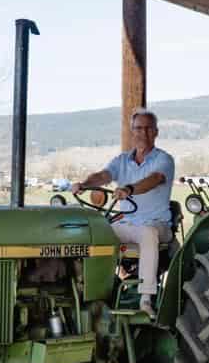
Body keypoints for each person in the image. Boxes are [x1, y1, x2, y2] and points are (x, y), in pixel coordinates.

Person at [72, 108, 175, 316]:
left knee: (148, 233)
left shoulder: (164, 160)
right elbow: (103, 176)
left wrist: (129, 189)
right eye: (138, 128)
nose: (143, 133)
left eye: (148, 128)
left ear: (156, 132)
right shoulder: (121, 160)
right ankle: (92, 291)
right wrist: (84, 184)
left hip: (158, 224)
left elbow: (153, 180)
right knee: (94, 231)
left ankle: (146, 299)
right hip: (128, 224)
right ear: (132, 131)